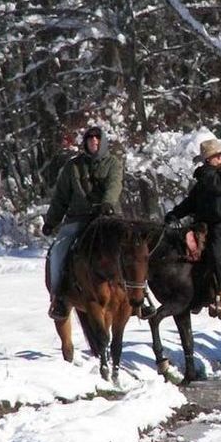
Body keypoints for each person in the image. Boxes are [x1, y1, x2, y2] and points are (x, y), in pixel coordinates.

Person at [42, 126, 123, 320]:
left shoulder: (113, 163)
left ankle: (141, 296)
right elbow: (61, 197)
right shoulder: (73, 167)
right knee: (58, 250)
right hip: (78, 218)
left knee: (132, 249)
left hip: (107, 217)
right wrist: (51, 221)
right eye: (90, 139)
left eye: (97, 139)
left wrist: (107, 203)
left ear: (102, 142)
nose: (93, 142)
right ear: (85, 142)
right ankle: (59, 296)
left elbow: (114, 185)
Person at [164, 138, 221, 320]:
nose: (212, 161)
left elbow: (218, 186)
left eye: (213, 158)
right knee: (187, 250)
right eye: (208, 159)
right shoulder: (205, 177)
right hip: (206, 223)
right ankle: (198, 293)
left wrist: (203, 172)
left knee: (216, 251)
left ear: (219, 156)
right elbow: (191, 202)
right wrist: (174, 214)